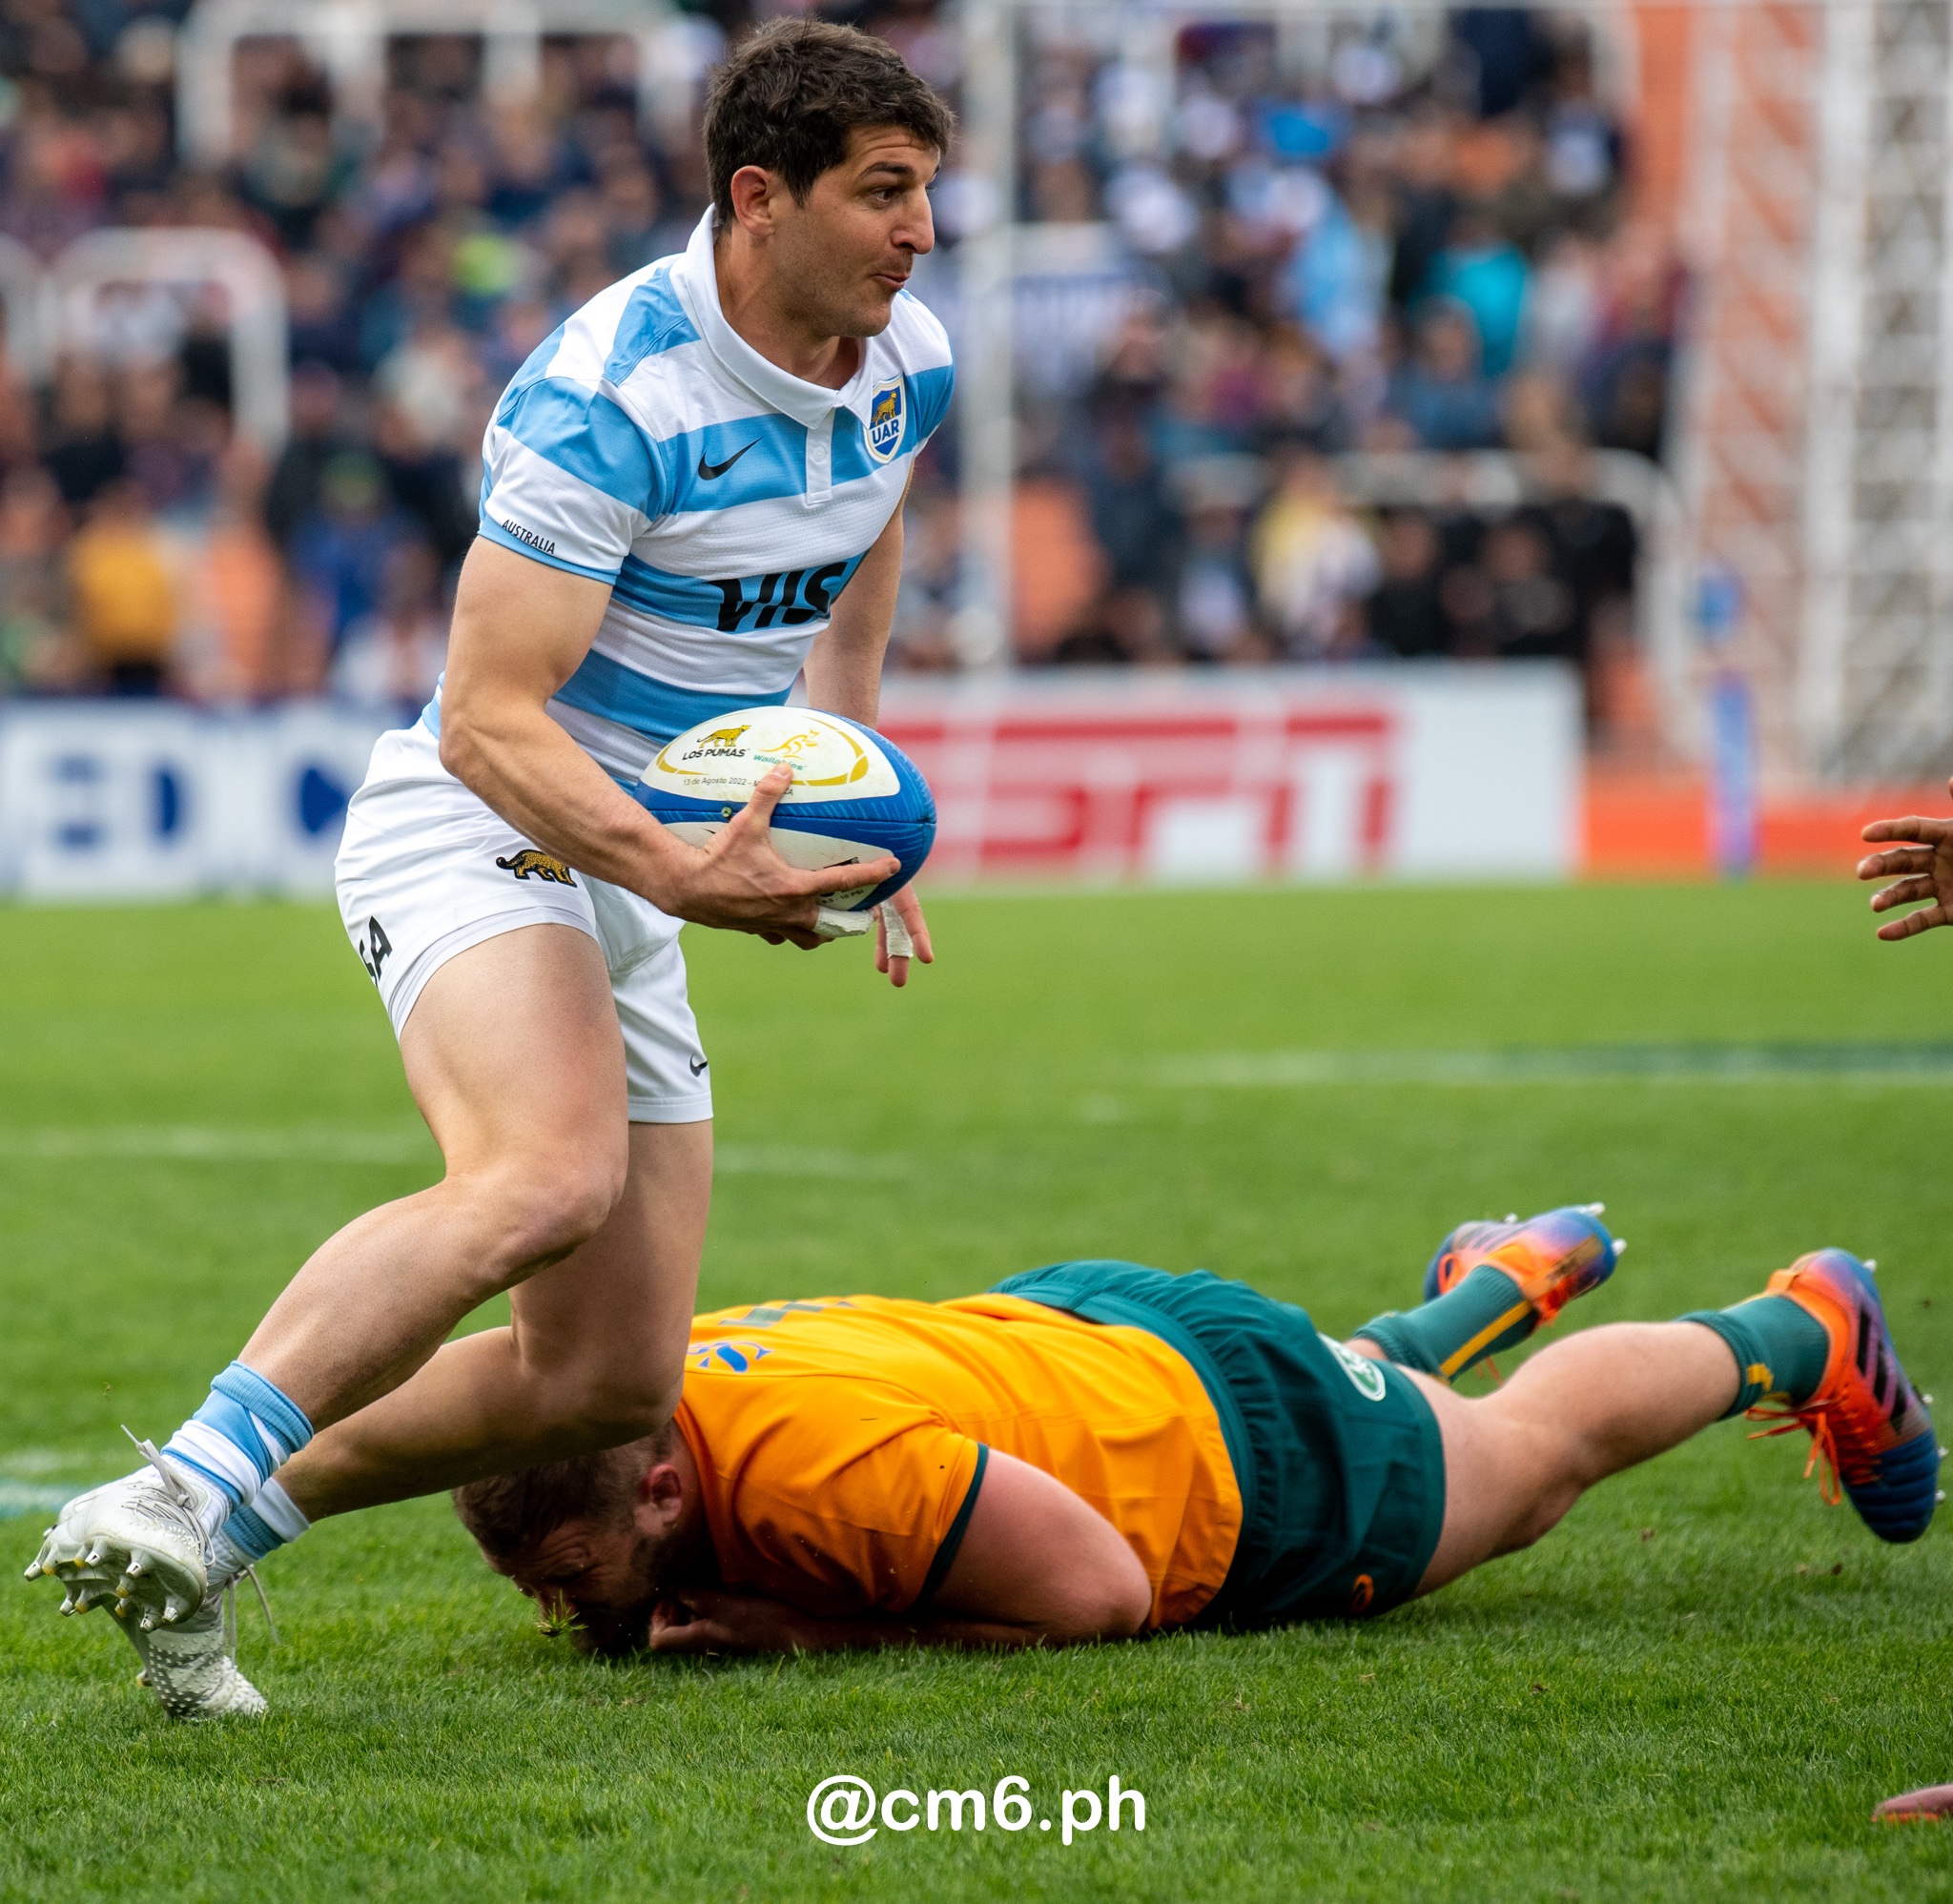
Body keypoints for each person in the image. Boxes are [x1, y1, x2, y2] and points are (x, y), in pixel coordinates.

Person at [27, 21, 956, 1683]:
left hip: (635, 856)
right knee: (543, 1177)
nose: (921, 232)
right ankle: (186, 1479)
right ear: (762, 198)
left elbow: (865, 525)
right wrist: (673, 873)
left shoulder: (904, 365)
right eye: (885, 194)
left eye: (926, 193)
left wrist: (859, 783)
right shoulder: (609, 396)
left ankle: (202, 1521)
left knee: (610, 1378)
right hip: (483, 820)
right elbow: (484, 720)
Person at [423, 1204, 1939, 1662]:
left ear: (668, 1483)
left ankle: (1804, 1325)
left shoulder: (816, 1480)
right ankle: (1499, 1279)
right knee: (1395, 1406)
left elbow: (1098, 1592)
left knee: (1526, 1467)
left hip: (1219, 1448)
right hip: (1086, 1340)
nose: (563, 1613)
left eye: (570, 1572)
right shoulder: (642, 1367)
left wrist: (806, 1628)